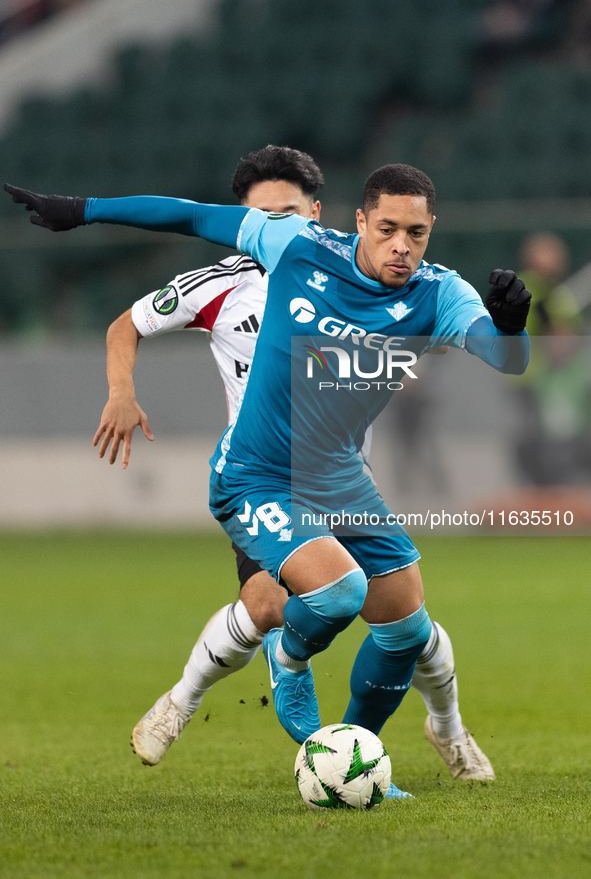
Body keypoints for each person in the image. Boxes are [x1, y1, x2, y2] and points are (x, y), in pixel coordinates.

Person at [5, 164, 529, 787]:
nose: (400, 246)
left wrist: (512, 326)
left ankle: (357, 761)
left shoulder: (440, 293)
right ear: (358, 221)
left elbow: (505, 360)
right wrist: (82, 207)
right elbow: (192, 215)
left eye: (415, 233)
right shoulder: (296, 246)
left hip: (339, 476)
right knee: (335, 594)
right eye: (387, 228)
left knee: (406, 628)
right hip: (255, 474)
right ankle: (287, 657)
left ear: (431, 229)